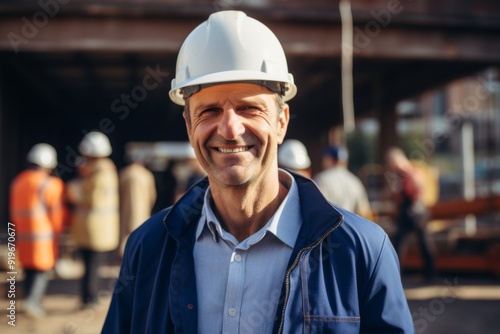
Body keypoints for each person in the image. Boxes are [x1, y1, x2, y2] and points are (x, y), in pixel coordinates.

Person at [103, 11, 413, 333]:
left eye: (249, 108)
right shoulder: (149, 246)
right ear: (188, 125)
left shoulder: (361, 250)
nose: (229, 129)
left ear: (281, 122)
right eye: (209, 110)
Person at [9, 143, 66, 317]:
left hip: (22, 234)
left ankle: (29, 299)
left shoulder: (18, 181)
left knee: (28, 269)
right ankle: (32, 302)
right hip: (43, 237)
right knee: (41, 271)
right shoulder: (51, 184)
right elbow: (56, 214)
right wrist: (59, 232)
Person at [66, 131, 119, 309]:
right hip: (94, 228)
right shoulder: (101, 170)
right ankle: (88, 298)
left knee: (92, 265)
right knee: (90, 265)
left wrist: (75, 193)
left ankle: (90, 299)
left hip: (95, 227)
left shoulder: (100, 173)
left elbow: (93, 199)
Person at [385, 147, 435, 282]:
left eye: (392, 163)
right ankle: (426, 274)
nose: (391, 166)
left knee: (402, 243)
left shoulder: (411, 173)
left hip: (413, 211)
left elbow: (415, 191)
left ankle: (398, 275)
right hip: (415, 211)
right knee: (410, 243)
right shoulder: (405, 174)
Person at [313, 145, 373, 219]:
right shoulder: (355, 181)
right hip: (350, 228)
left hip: (329, 229)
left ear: (327, 159)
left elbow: (317, 210)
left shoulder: (321, 179)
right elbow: (364, 212)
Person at [118, 150, 157, 256]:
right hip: (142, 210)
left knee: (125, 236)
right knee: (141, 235)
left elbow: (118, 194)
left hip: (125, 210)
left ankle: (125, 259)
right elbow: (152, 196)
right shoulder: (146, 174)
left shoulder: (124, 173)